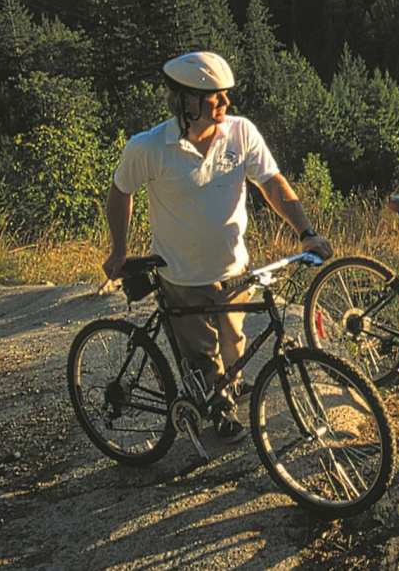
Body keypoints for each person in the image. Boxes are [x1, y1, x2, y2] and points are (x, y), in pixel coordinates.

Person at [102, 50, 333, 437]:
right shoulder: (149, 147)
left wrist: (306, 232)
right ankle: (219, 411)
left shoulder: (241, 132)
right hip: (182, 276)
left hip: (233, 271)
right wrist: (119, 250)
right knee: (203, 356)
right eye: (215, 96)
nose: (226, 101)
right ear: (186, 102)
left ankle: (226, 387)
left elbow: (272, 183)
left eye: (226, 94)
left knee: (234, 343)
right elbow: (120, 191)